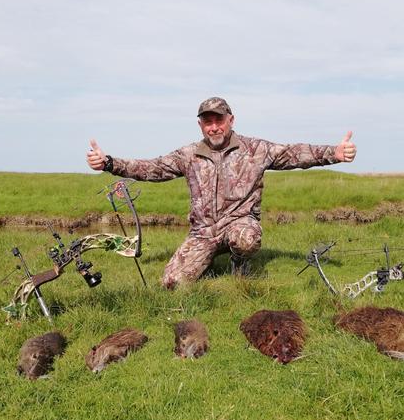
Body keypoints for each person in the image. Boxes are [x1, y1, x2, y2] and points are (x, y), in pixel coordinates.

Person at [86, 97, 357, 289]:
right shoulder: (188, 155)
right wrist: (109, 163)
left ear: (231, 120)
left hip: (239, 225)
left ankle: (239, 264)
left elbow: (294, 154)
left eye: (219, 120)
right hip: (203, 233)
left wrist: (333, 153)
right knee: (171, 284)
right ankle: (206, 261)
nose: (214, 127)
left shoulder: (255, 150)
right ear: (201, 125)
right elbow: (152, 168)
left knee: (247, 238)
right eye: (208, 122)